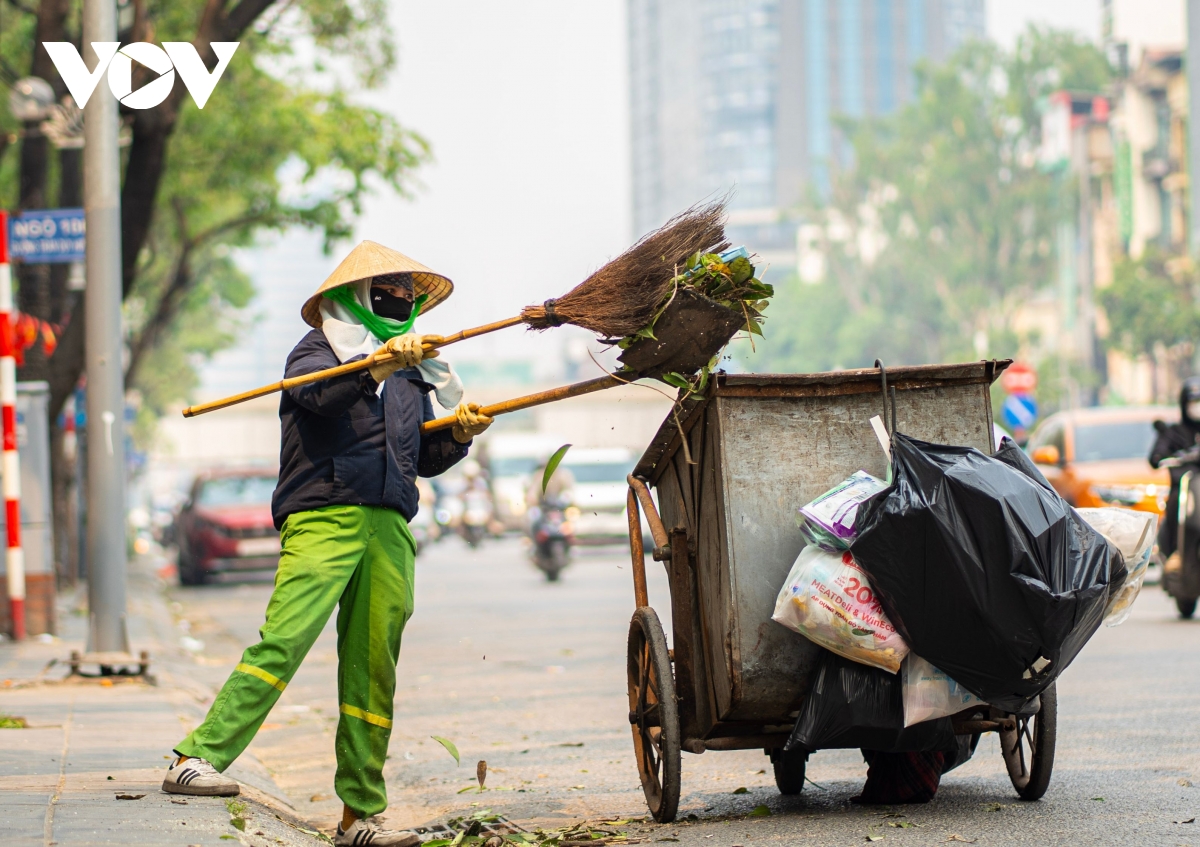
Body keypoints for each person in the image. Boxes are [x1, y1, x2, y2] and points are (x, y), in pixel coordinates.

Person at [161, 242, 493, 847]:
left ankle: (358, 816)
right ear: (358, 297)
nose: (402, 299)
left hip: (389, 525)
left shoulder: (414, 373)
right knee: (285, 639)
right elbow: (320, 399)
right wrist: (377, 367)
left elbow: (420, 457)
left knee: (374, 668)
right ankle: (194, 759)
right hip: (323, 516)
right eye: (389, 289)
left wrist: (460, 435)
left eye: (408, 292)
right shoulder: (317, 352)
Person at [1149, 377, 1200, 558]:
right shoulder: (1174, 433)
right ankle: (1173, 554)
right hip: (1185, 489)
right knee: (1176, 502)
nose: (1197, 407)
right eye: (1193, 402)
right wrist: (1180, 457)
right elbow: (1157, 456)